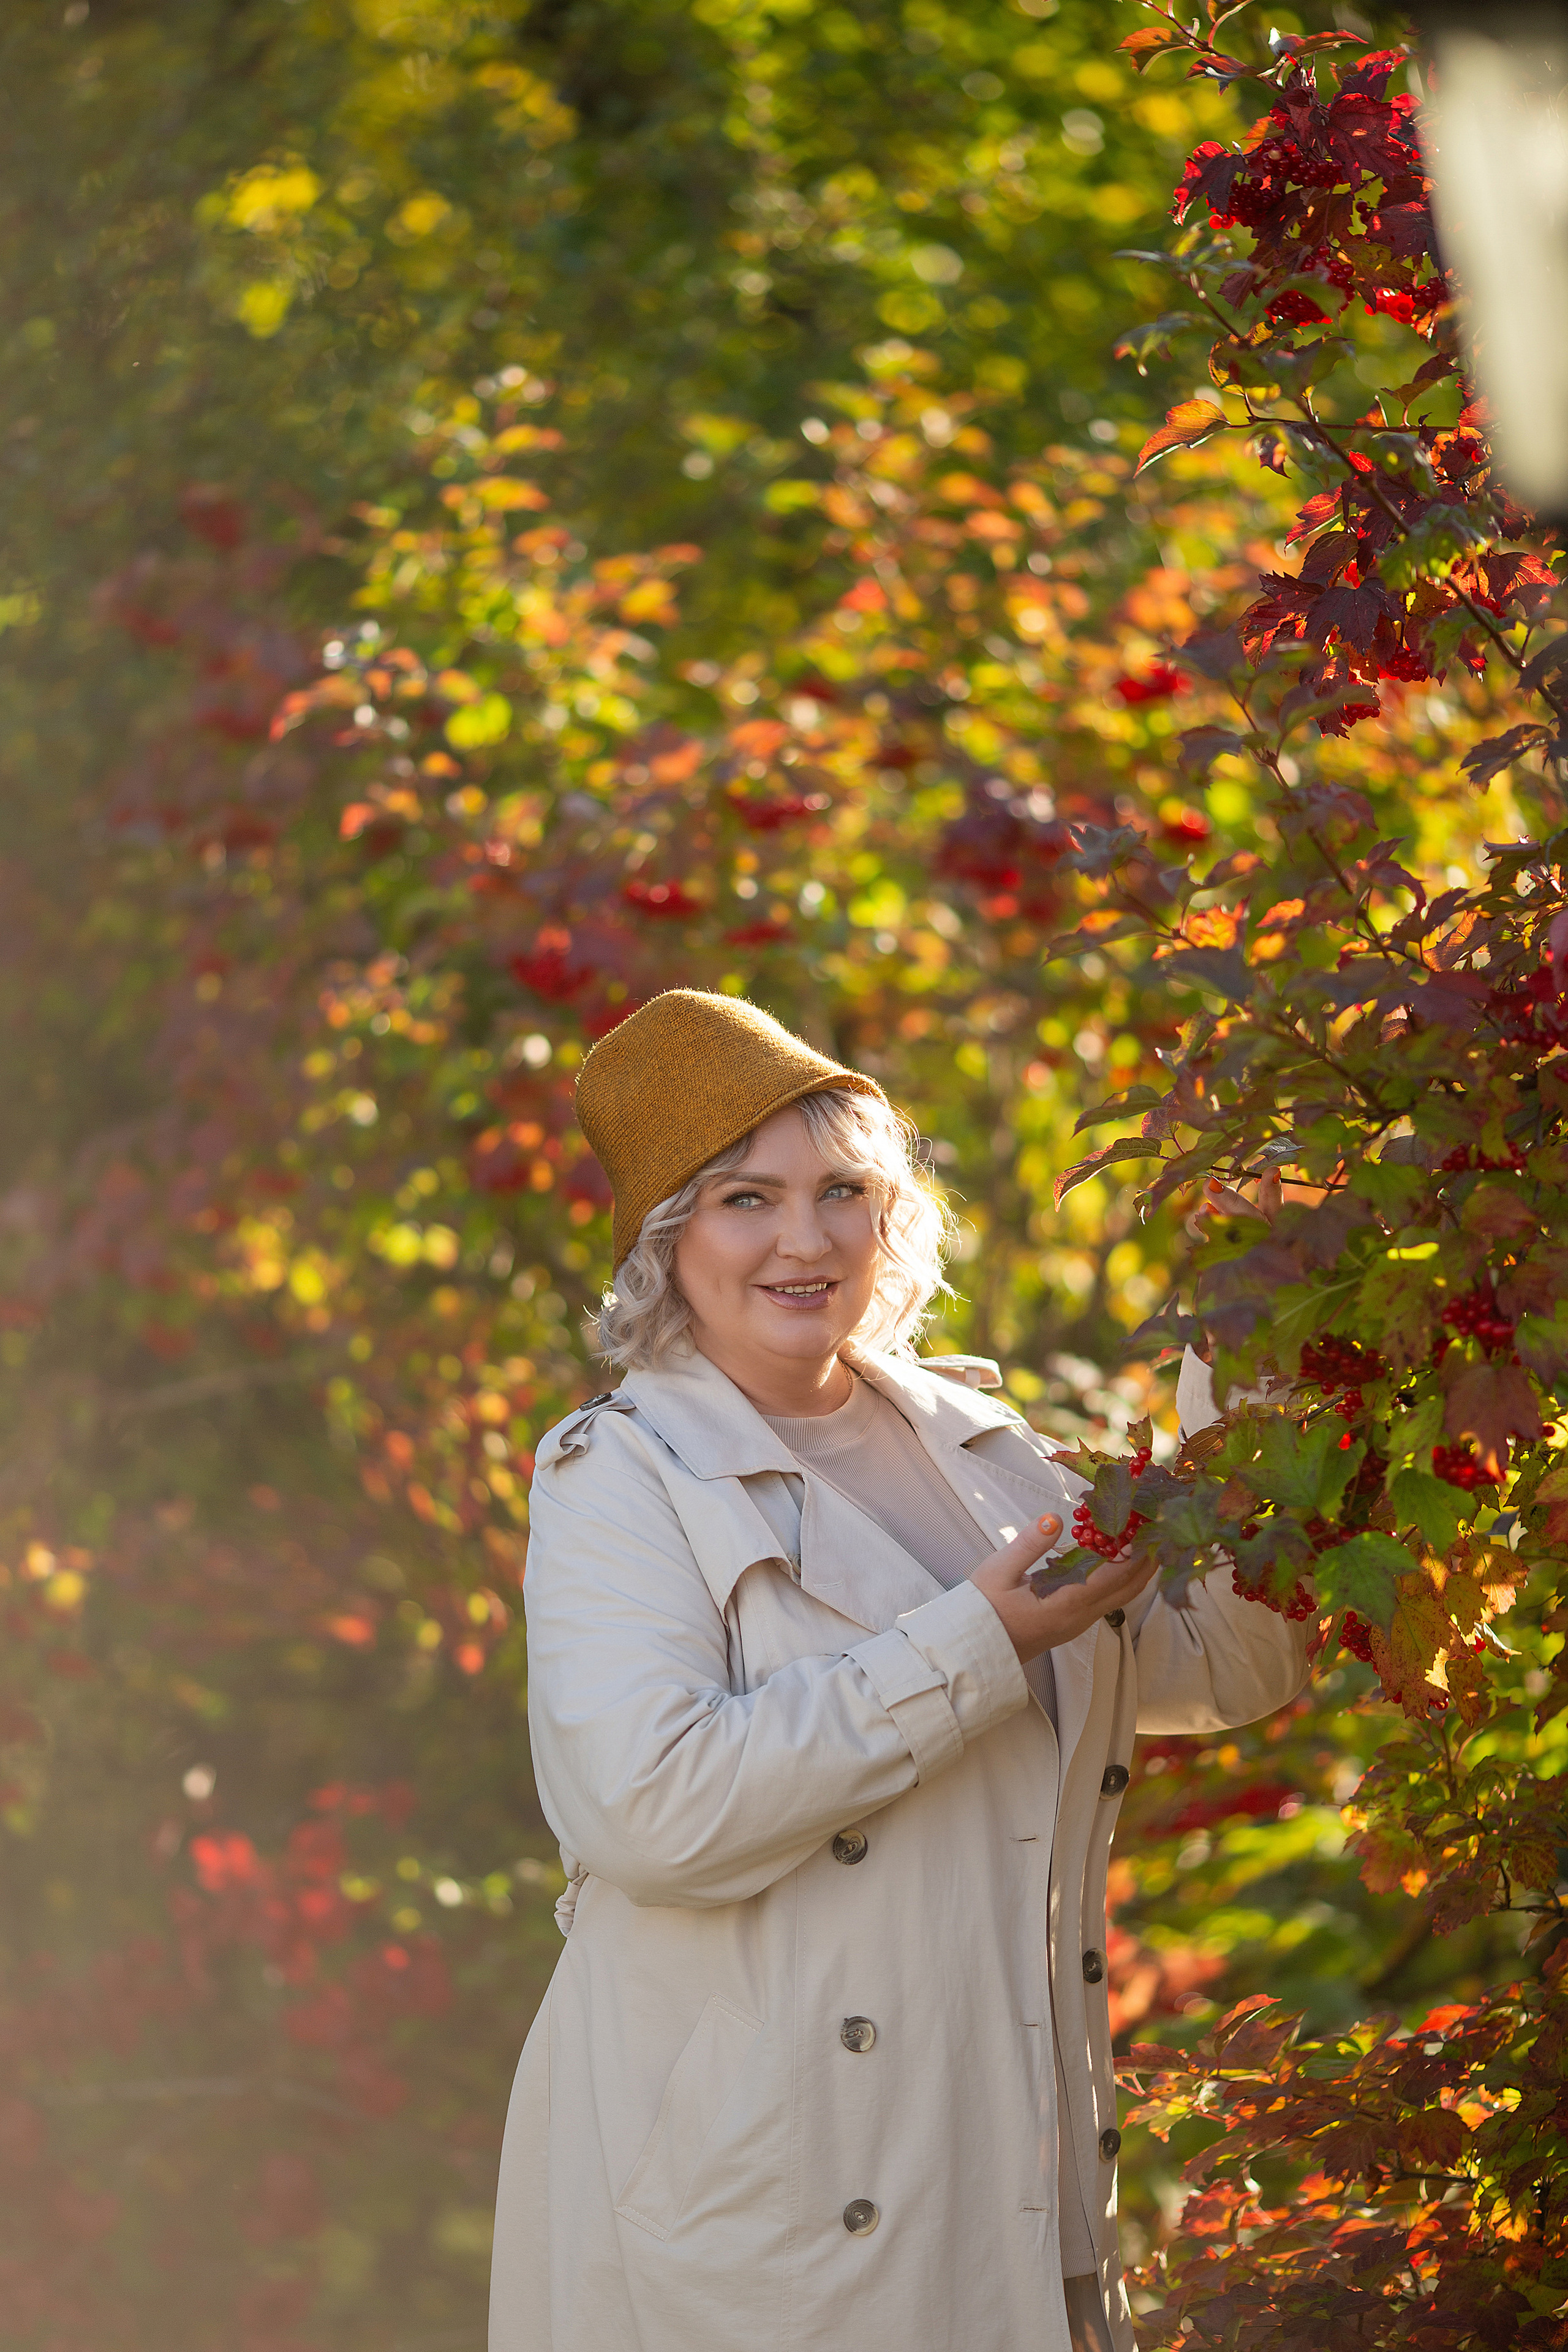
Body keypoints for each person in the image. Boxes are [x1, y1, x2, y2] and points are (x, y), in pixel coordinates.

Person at [489, 990, 1310, 2352]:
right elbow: (648, 1812)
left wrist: (1251, 1364)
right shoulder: (621, 1474)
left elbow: (1224, 1666)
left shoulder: (987, 1452)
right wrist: (980, 1643)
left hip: (1009, 2165)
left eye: (841, 1191)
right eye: (745, 1200)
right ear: (666, 1239)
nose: (806, 1239)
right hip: (777, 2202)